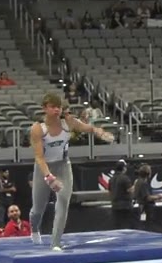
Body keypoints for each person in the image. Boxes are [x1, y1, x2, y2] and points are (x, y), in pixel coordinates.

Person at [29, 91, 114, 250]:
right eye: (53, 107)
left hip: (63, 165)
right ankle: (34, 228)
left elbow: (88, 128)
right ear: (45, 108)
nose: (57, 110)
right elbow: (39, 157)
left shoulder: (69, 123)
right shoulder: (37, 129)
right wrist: (49, 177)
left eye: (59, 107)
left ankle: (55, 243)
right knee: (38, 209)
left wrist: (100, 132)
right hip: (43, 169)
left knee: (62, 203)